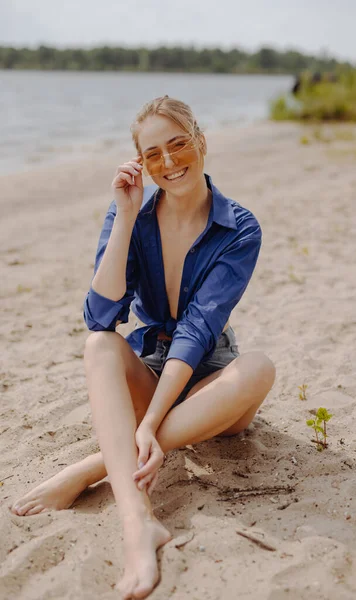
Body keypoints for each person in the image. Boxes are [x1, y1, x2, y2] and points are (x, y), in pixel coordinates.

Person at [10, 96, 276, 600]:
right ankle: (138, 523)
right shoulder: (130, 216)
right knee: (99, 347)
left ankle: (93, 467)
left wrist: (150, 424)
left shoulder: (240, 228)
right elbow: (101, 316)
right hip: (152, 364)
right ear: (140, 162)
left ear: (201, 141)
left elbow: (199, 331)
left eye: (179, 145)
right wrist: (126, 215)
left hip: (210, 377)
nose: (170, 162)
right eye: (154, 154)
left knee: (259, 368)